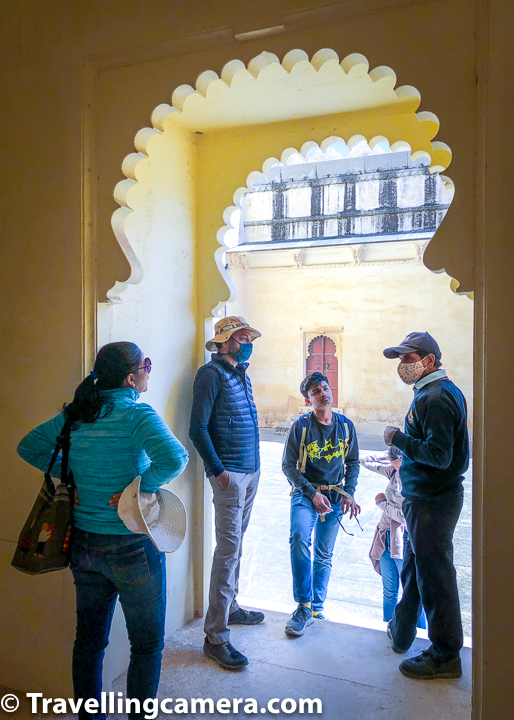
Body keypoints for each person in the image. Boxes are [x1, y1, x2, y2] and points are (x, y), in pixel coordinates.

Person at [17, 342, 188, 720]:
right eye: (146, 365)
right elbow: (176, 458)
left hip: (83, 546)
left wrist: (73, 476)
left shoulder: (77, 415)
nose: (148, 370)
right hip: (131, 548)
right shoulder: (137, 416)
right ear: (131, 376)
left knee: (90, 642)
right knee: (146, 644)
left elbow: (28, 447)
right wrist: (138, 489)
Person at [382, 331, 469, 680]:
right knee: (416, 571)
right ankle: (402, 631)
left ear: (428, 361)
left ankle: (446, 655)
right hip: (427, 498)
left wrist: (397, 438)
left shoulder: (435, 398)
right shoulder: (437, 392)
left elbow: (439, 455)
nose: (402, 365)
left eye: (407, 358)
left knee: (436, 578)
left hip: (433, 501)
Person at [189, 316, 263, 670]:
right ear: (223, 342)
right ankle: (215, 637)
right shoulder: (211, 374)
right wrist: (219, 472)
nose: (247, 340)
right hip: (230, 475)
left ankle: (230, 607)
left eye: (249, 336)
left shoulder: (241, 373)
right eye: (241, 336)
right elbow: (197, 428)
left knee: (238, 543)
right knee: (228, 549)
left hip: (251, 472)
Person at [281, 372, 360, 636]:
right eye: (316, 391)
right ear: (308, 399)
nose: (323, 394)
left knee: (324, 554)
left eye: (325, 388)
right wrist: (311, 493)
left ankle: (316, 607)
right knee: (299, 537)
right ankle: (303, 606)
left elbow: (353, 463)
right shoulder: (301, 427)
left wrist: (348, 493)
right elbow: (288, 466)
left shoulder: (346, 426)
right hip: (305, 495)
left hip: (334, 498)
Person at [361, 446, 426, 628]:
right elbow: (365, 460)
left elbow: (405, 516)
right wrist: (391, 454)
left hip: (403, 540)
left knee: (410, 591)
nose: (396, 465)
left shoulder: (415, 479)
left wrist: (381, 503)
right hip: (385, 537)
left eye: (398, 462)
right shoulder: (393, 471)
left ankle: (419, 634)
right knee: (389, 592)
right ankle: (388, 629)